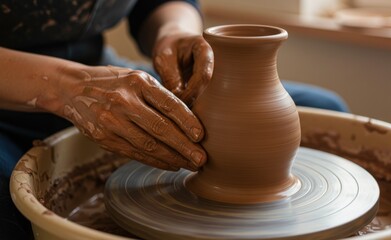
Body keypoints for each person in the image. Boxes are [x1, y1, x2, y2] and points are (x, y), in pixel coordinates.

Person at [0, 0, 348, 238]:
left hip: (94, 68)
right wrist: (62, 86)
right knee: (7, 206)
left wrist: (176, 32)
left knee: (325, 107)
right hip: (11, 93)